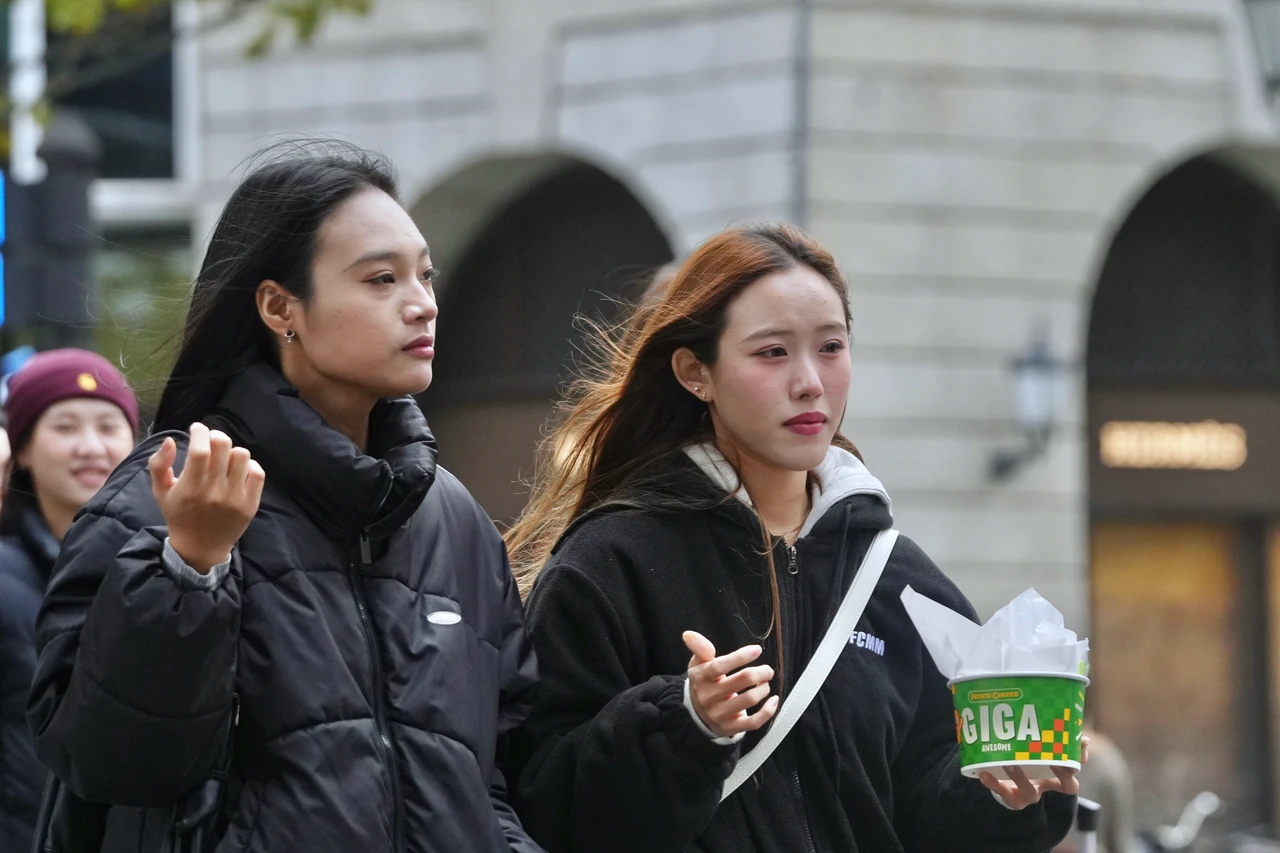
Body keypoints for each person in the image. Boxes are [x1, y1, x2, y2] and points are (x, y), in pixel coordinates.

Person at [27, 143, 541, 853]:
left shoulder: (452, 518)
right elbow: (107, 762)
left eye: (425, 275)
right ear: (279, 306)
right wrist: (188, 569)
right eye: (381, 279)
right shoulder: (170, 489)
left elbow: (496, 778)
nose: (422, 304)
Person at [505, 223, 1083, 853]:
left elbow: (921, 812)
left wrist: (999, 789)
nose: (810, 381)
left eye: (831, 347)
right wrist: (683, 724)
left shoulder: (896, 575)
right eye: (772, 352)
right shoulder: (610, 561)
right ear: (695, 372)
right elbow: (541, 804)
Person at [0, 349, 138, 852]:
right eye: (64, 427)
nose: (90, 447)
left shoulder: (168, 565)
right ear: (25, 449)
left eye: (108, 425)